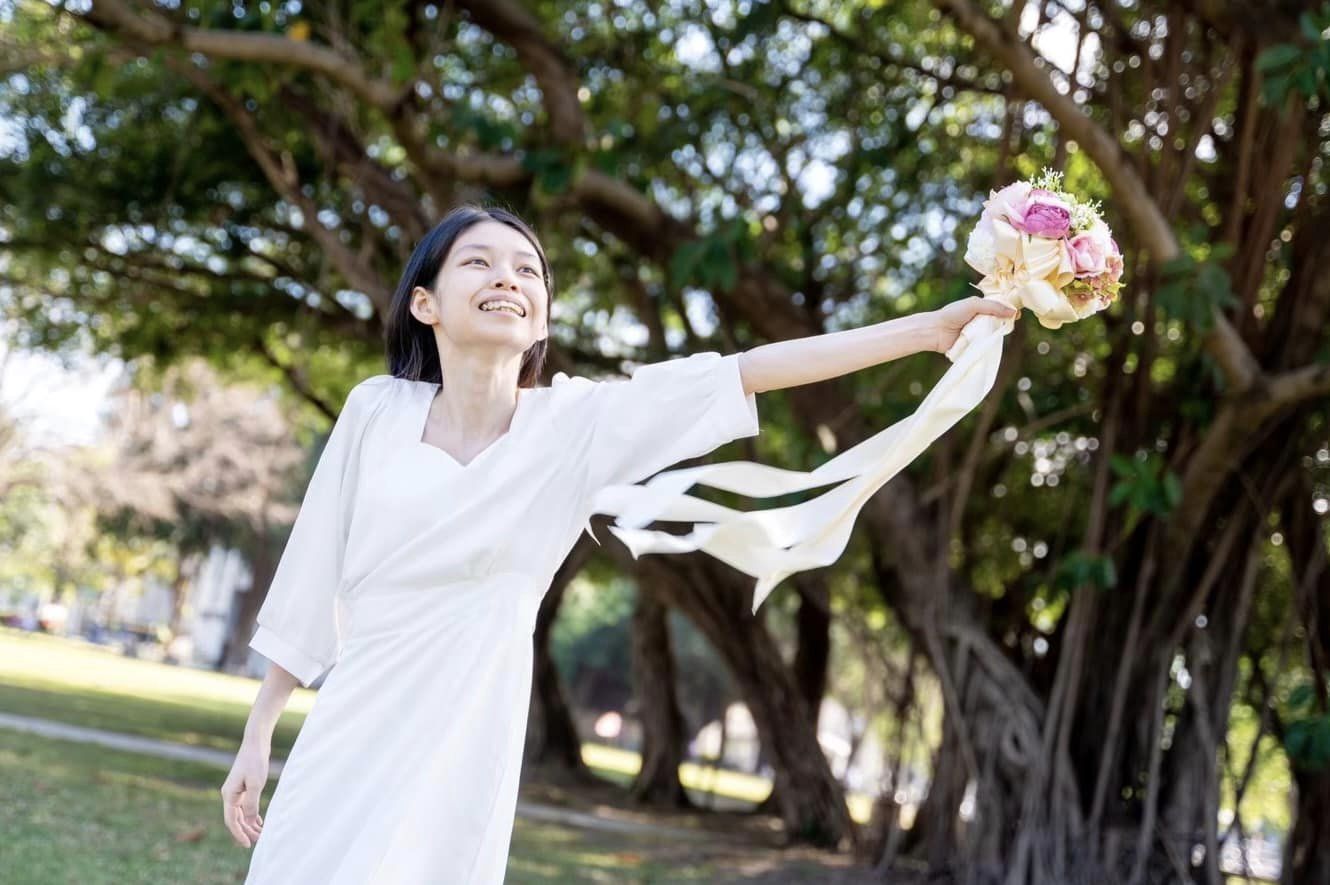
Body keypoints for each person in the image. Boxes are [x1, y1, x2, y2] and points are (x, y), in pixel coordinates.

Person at [220, 203, 1015, 883]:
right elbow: (312, 566)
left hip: (463, 739)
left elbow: (746, 372)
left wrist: (929, 329)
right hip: (350, 725)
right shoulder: (375, 410)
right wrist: (259, 733)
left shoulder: (574, 427)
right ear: (425, 302)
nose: (509, 278)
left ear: (542, 317)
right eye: (480, 262)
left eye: (528, 271)